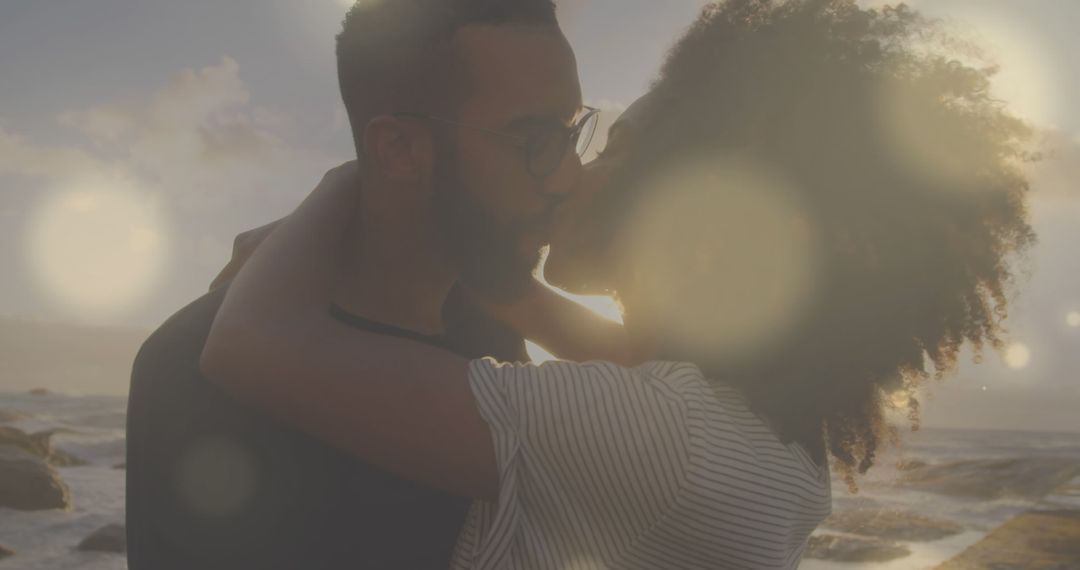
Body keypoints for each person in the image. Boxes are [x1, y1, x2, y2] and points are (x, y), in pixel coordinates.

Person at [202, 1, 1036, 568]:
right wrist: (491, 267)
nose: (569, 174)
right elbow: (622, 350)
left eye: (609, 151)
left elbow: (250, 346)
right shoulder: (776, 428)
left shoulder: (664, 444)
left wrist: (347, 185)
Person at [125, 1, 609, 568]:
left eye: (571, 132)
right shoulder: (193, 361)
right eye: (533, 141)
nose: (568, 178)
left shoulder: (495, 343)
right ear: (397, 150)